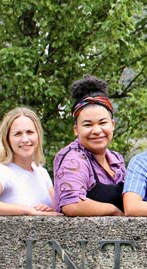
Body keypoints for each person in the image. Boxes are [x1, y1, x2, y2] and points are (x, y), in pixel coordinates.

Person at [53, 75, 126, 216]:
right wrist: (114, 211)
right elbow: (72, 205)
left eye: (103, 123)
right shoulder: (74, 159)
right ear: (76, 129)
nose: (97, 130)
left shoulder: (117, 160)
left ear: (112, 125)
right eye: (88, 125)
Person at [0, 107, 59, 216]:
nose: (25, 139)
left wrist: (48, 210)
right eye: (17, 134)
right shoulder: (2, 171)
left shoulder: (41, 172)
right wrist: (27, 210)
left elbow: (58, 209)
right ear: (7, 140)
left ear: (38, 135)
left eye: (30, 132)